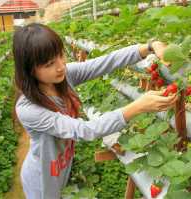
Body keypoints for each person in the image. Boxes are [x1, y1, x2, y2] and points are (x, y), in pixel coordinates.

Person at [13, 23, 177, 199]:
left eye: (61, 55)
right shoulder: (29, 109)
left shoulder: (64, 76)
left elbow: (107, 62)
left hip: (62, 167)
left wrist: (150, 47)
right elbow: (85, 130)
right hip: (42, 181)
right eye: (49, 63)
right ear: (30, 69)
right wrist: (138, 106)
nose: (60, 66)